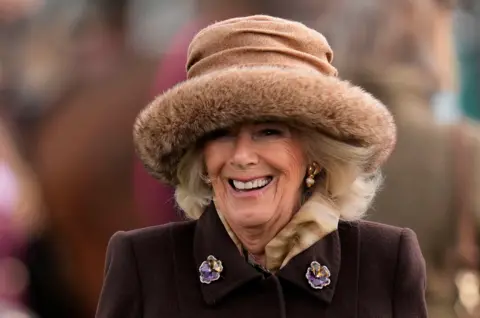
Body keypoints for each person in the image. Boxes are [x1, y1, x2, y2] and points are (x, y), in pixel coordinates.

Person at [96, 15, 427, 318]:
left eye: (269, 132)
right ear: (201, 160)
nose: (242, 157)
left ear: (315, 154)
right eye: (221, 134)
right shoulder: (142, 264)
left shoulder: (385, 262)